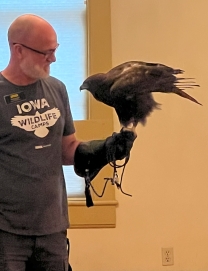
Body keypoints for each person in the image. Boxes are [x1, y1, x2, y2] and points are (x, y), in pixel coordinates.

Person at [0, 14, 136, 271]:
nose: (53, 58)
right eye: (46, 52)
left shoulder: (56, 89)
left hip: (53, 227)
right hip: (7, 232)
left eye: (55, 50)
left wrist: (105, 149)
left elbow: (67, 150)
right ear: (18, 50)